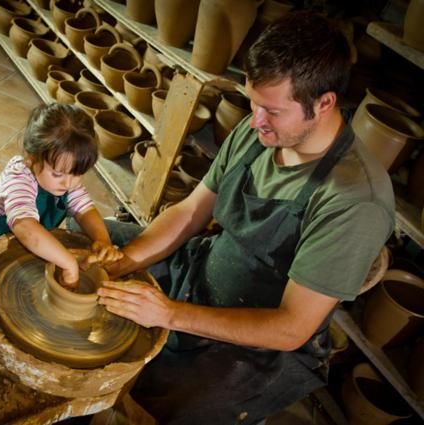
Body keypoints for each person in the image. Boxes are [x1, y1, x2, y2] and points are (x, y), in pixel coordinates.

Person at [93, 11, 395, 424]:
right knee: (86, 246)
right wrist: (125, 261)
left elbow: (291, 328)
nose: (255, 121)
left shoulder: (355, 200)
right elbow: (190, 211)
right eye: (253, 102)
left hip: (261, 344)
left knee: (168, 404)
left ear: (323, 103)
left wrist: (168, 314)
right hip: (202, 270)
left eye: (271, 110)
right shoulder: (260, 130)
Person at [0, 103, 121, 287]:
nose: (68, 183)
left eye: (77, 174)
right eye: (58, 174)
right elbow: (25, 227)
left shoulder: (66, 180)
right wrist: (68, 264)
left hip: (34, 245)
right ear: (32, 158)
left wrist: (102, 240)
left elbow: (85, 210)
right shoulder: (19, 178)